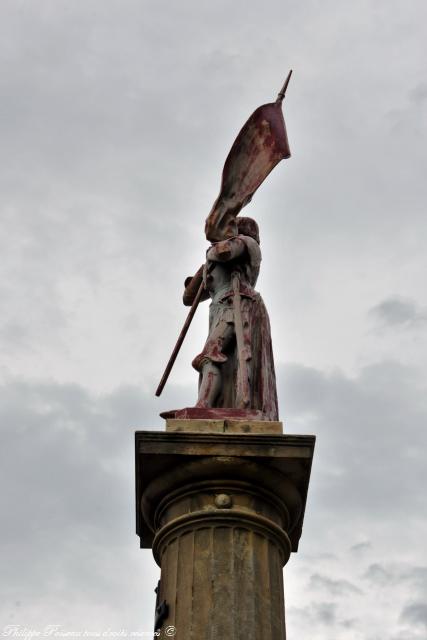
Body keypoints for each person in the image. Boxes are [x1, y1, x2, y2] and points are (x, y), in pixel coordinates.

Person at [183, 217, 279, 421]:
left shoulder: (248, 245)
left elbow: (225, 252)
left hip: (239, 305)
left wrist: (215, 248)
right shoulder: (213, 259)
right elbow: (189, 298)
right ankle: (215, 405)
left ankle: (203, 405)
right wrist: (205, 266)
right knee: (222, 360)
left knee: (211, 353)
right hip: (220, 308)